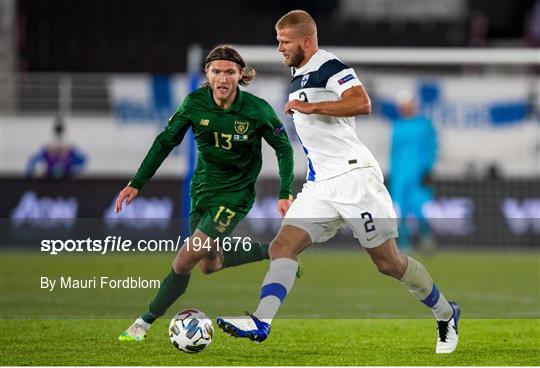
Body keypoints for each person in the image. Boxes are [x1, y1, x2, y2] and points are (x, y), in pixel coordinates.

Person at [216, 10, 460, 354]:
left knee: (388, 263)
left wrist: (314, 108)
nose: (279, 48)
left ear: (306, 41)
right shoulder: (297, 75)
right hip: (321, 186)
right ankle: (261, 321)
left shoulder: (329, 66)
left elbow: (362, 102)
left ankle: (446, 313)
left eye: (284, 42)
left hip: (355, 179)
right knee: (281, 246)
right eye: (277, 42)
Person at [116, 45, 294, 341]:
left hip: (235, 197)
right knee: (208, 264)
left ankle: (143, 323)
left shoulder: (257, 110)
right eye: (216, 71)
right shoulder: (194, 104)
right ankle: (273, 250)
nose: (223, 79)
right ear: (207, 74)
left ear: (240, 75)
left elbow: (284, 148)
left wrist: (285, 191)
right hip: (202, 191)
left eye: (230, 72)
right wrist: (137, 183)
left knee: (184, 260)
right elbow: (164, 142)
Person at [390, 91, 438, 250]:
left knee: (419, 207)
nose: (406, 107)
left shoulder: (424, 124)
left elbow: (432, 148)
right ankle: (404, 242)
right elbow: (394, 152)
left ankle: (426, 237)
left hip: (418, 174)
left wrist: (428, 169)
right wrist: (393, 173)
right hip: (399, 175)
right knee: (399, 209)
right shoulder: (396, 125)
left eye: (408, 104)